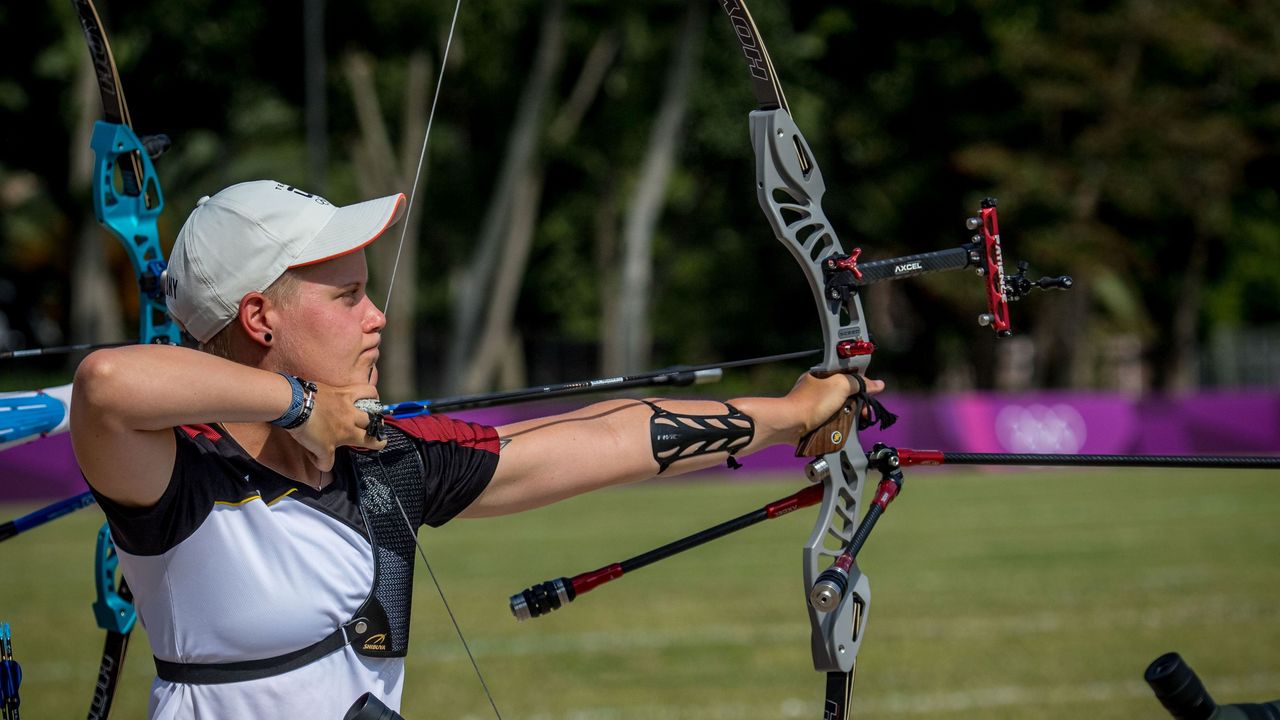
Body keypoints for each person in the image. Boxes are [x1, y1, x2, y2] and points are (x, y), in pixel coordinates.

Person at [69, 180, 881, 719]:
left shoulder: (385, 458)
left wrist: (787, 414)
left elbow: (602, 439)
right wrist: (301, 406)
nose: (376, 317)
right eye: (349, 297)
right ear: (259, 320)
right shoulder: (180, 471)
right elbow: (106, 383)